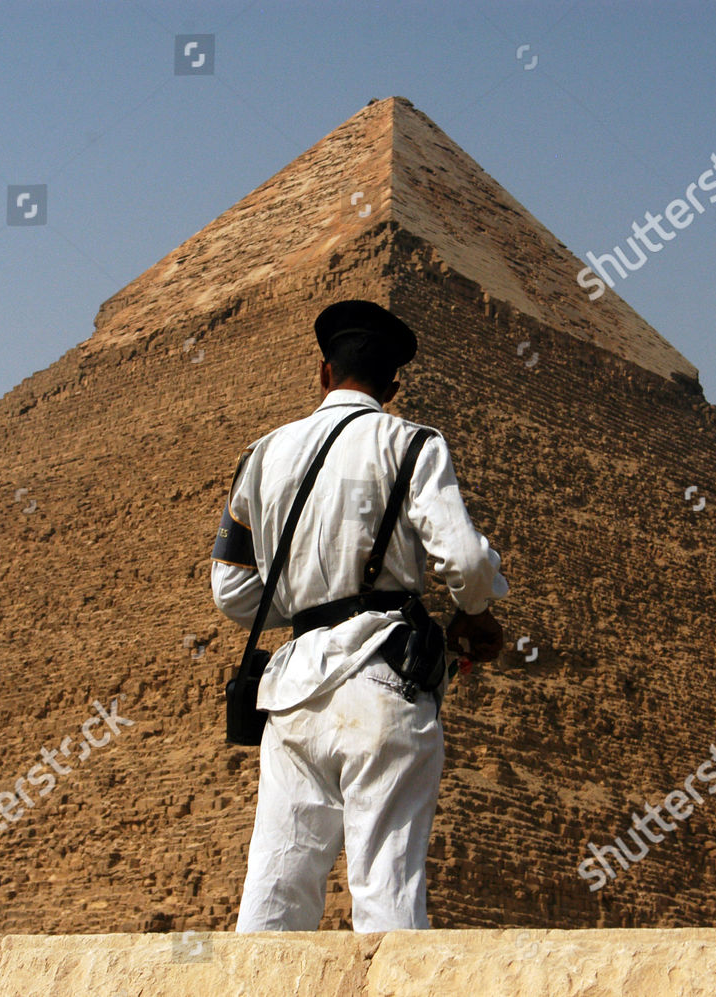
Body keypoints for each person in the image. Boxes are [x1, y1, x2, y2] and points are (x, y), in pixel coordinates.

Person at [210, 299, 509, 933]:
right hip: (383, 681)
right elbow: (463, 559)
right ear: (394, 385)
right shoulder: (412, 443)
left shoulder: (261, 456)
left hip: (290, 695)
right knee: (387, 891)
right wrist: (474, 613)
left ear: (323, 373)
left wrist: (304, 594)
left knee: (276, 892)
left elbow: (232, 590)